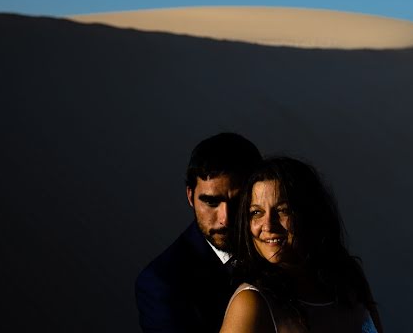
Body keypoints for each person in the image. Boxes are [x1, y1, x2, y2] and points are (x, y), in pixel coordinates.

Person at [220, 157, 384, 333]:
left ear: (311, 213)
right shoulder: (251, 302)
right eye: (256, 212)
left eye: (283, 210)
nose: (268, 225)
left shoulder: (349, 279)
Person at [136, 133, 262, 332]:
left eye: (238, 202)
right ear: (190, 196)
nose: (225, 219)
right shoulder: (162, 284)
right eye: (211, 202)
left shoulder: (281, 250)